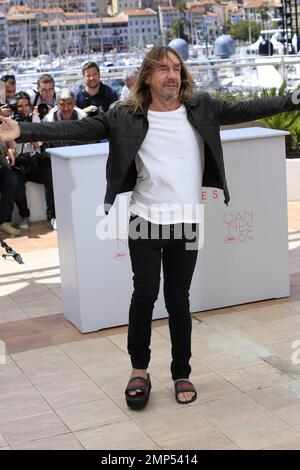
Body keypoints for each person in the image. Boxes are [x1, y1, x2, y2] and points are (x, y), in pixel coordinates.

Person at [0, 46, 299, 409]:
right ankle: (139, 370)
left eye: (176, 68)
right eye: (162, 70)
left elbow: (248, 108)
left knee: (178, 300)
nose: (171, 75)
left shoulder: (201, 107)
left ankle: (181, 372)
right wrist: (24, 128)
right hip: (145, 220)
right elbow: (78, 128)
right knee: (144, 297)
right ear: (148, 77)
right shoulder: (126, 115)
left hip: (186, 222)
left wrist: (293, 98)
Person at [7, 92, 56, 231]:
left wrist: (28, 127)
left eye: (26, 105)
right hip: (19, 164)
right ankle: (24, 216)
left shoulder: (34, 118)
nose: (24, 109)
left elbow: (39, 143)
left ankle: (52, 216)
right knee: (16, 181)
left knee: (49, 172)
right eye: (20, 106)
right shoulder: (9, 121)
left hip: (35, 161)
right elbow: (10, 145)